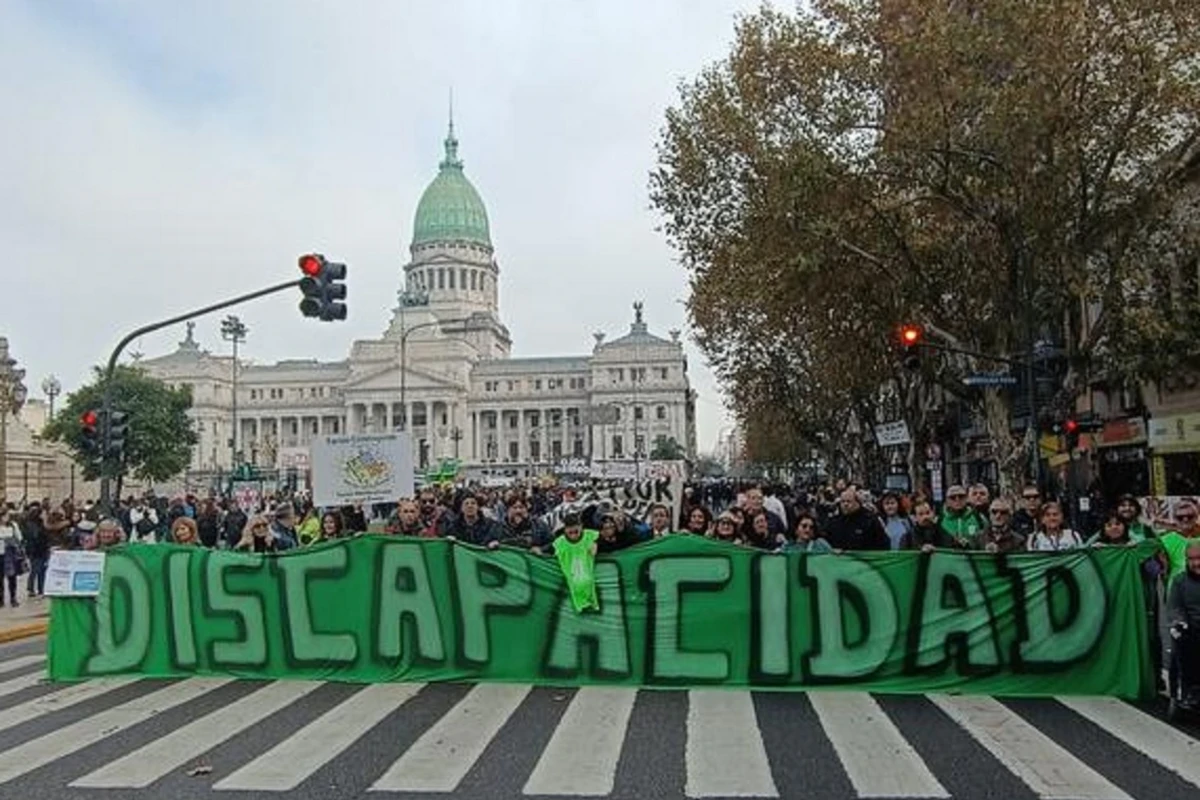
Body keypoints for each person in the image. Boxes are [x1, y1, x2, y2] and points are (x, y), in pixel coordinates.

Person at [1166, 542, 1200, 706]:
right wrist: (1179, 622)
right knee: (1183, 639)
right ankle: (1192, 689)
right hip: (1192, 629)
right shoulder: (1180, 581)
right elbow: (1175, 607)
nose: (1196, 563)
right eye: (1192, 559)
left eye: (1199, 558)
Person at [552, 513, 599, 612]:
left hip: (594, 592)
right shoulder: (559, 543)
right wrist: (537, 549)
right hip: (572, 595)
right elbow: (546, 550)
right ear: (565, 529)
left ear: (581, 526)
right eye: (569, 528)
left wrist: (598, 544)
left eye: (575, 528)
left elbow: (610, 540)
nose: (573, 532)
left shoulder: (591, 536)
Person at [0, 508, 25, 607]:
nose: (6, 518)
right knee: (0, 578)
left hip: (10, 554)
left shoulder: (13, 525)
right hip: (0, 554)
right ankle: (1, 599)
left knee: (12, 577)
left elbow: (20, 537)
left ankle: (13, 598)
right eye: (4, 515)